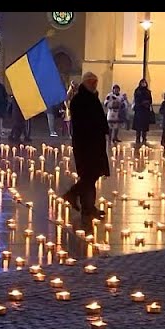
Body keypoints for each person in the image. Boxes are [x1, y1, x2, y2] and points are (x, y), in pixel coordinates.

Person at [61, 72, 110, 226]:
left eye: (95, 82)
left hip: (95, 144)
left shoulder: (92, 97)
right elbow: (83, 123)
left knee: (91, 177)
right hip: (86, 145)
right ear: (85, 83)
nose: (94, 84)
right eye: (91, 82)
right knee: (89, 176)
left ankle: (88, 208)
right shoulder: (79, 100)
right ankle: (74, 195)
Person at [132, 78, 153, 145]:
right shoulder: (137, 91)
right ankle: (137, 137)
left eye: (145, 82)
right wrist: (142, 103)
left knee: (144, 125)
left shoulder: (148, 91)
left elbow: (150, 100)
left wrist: (147, 103)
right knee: (138, 125)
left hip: (145, 110)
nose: (143, 84)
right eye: (142, 82)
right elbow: (136, 99)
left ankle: (144, 137)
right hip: (139, 110)